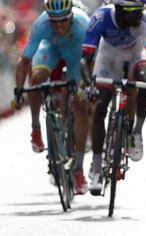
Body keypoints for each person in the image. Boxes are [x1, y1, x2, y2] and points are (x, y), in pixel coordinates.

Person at [80, 0, 146, 194]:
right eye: (134, 11)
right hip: (108, 58)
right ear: (119, 10)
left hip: (135, 55)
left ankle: (136, 133)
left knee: (145, 80)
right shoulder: (101, 16)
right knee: (100, 105)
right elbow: (85, 60)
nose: (140, 15)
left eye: (141, 10)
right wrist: (90, 84)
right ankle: (97, 167)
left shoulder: (145, 20)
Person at [13, 0, 90, 194]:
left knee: (80, 103)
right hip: (50, 49)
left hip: (75, 56)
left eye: (63, 21)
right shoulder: (41, 24)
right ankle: (36, 128)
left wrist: (88, 86)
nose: (58, 26)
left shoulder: (83, 24)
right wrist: (19, 91)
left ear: (71, 15)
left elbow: (92, 60)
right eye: (54, 22)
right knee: (37, 79)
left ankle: (79, 169)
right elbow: (24, 60)